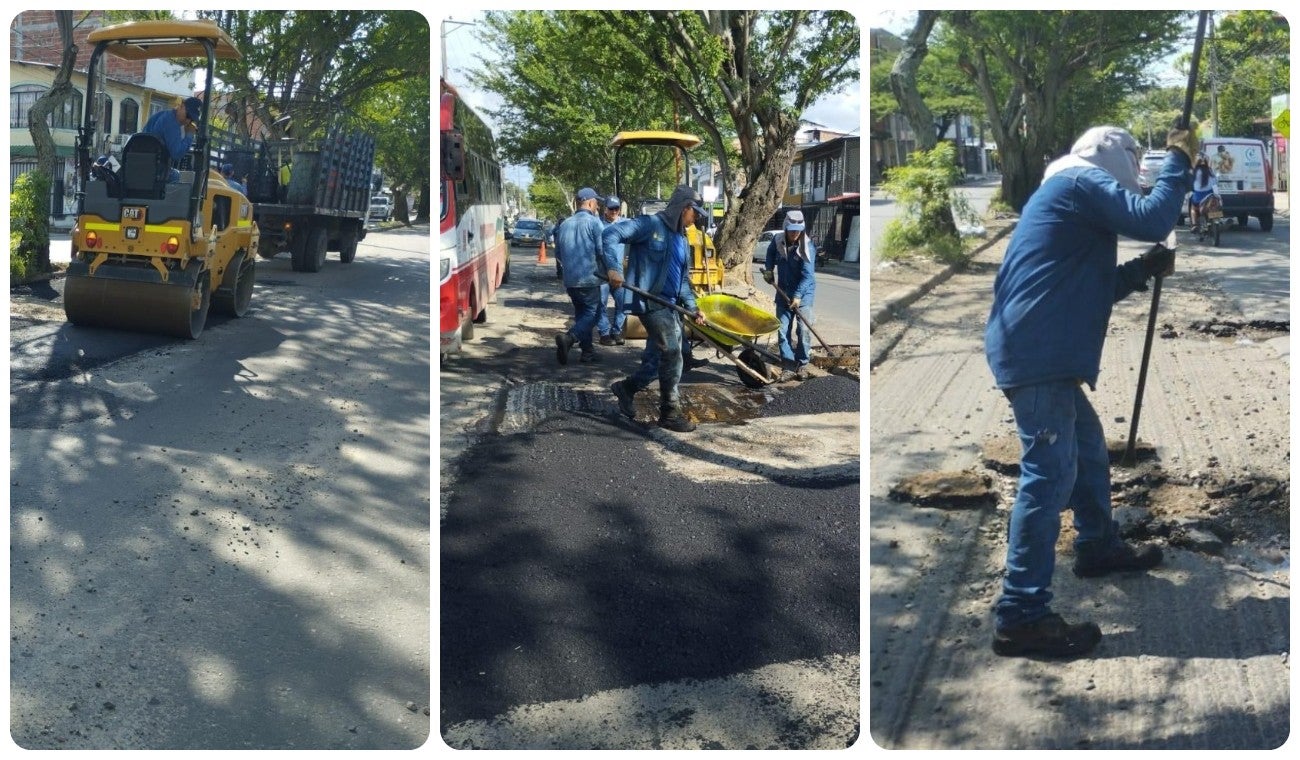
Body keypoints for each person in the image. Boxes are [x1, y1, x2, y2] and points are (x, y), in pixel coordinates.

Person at [983, 124, 1195, 659]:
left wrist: (1143, 269)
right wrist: (1178, 159)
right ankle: (1020, 616)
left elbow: (1090, 288)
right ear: (1114, 158)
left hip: (1037, 349)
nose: (1135, 179)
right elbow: (1153, 219)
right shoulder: (1080, 181)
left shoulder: (1068, 197)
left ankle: (1098, 545)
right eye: (1135, 167)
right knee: (1048, 478)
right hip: (1038, 354)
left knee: (1088, 449)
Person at [605, 185, 708, 433]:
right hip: (651, 302)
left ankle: (626, 388)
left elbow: (683, 281)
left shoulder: (682, 239)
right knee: (672, 353)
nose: (696, 218)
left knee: (659, 359)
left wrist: (693, 307)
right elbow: (610, 234)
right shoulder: (650, 225)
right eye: (695, 213)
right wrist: (613, 268)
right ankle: (669, 413)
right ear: (684, 208)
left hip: (671, 306)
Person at [554, 187, 617, 364]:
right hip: (589, 278)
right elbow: (602, 251)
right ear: (589, 203)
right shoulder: (594, 223)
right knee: (593, 315)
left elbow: (558, 253)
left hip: (571, 280)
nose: (598, 206)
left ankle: (587, 352)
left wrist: (570, 267)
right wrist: (611, 270)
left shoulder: (565, 224)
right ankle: (569, 338)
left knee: (582, 315)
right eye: (596, 203)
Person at [762, 209, 817, 379]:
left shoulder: (807, 246)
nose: (795, 234)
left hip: (804, 294)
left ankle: (802, 364)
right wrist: (769, 269)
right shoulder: (778, 240)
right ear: (786, 227)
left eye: (798, 231)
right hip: (783, 292)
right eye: (792, 230)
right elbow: (770, 253)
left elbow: (808, 276)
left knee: (803, 330)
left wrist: (798, 296)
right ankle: (788, 365)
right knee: (782, 330)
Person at [142, 97, 202, 178]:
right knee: (178, 177)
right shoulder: (172, 123)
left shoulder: (164, 115)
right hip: (154, 169)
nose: (188, 121)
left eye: (192, 119)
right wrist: (190, 134)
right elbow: (177, 154)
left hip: (145, 163)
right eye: (188, 116)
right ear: (181, 106)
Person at [597, 196, 628, 346]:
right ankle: (604, 333)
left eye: (616, 208)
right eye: (611, 209)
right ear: (605, 209)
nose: (614, 211)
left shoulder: (626, 225)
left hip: (619, 273)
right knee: (600, 304)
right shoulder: (598, 225)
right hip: (602, 273)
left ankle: (616, 331)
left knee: (623, 303)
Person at [1188, 154, 1216, 230]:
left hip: (1198, 196)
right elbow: (1215, 183)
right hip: (1210, 195)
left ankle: (1194, 225)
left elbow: (1189, 182)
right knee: (1214, 207)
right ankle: (1216, 219)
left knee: (1193, 209)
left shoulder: (1194, 172)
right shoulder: (1210, 171)